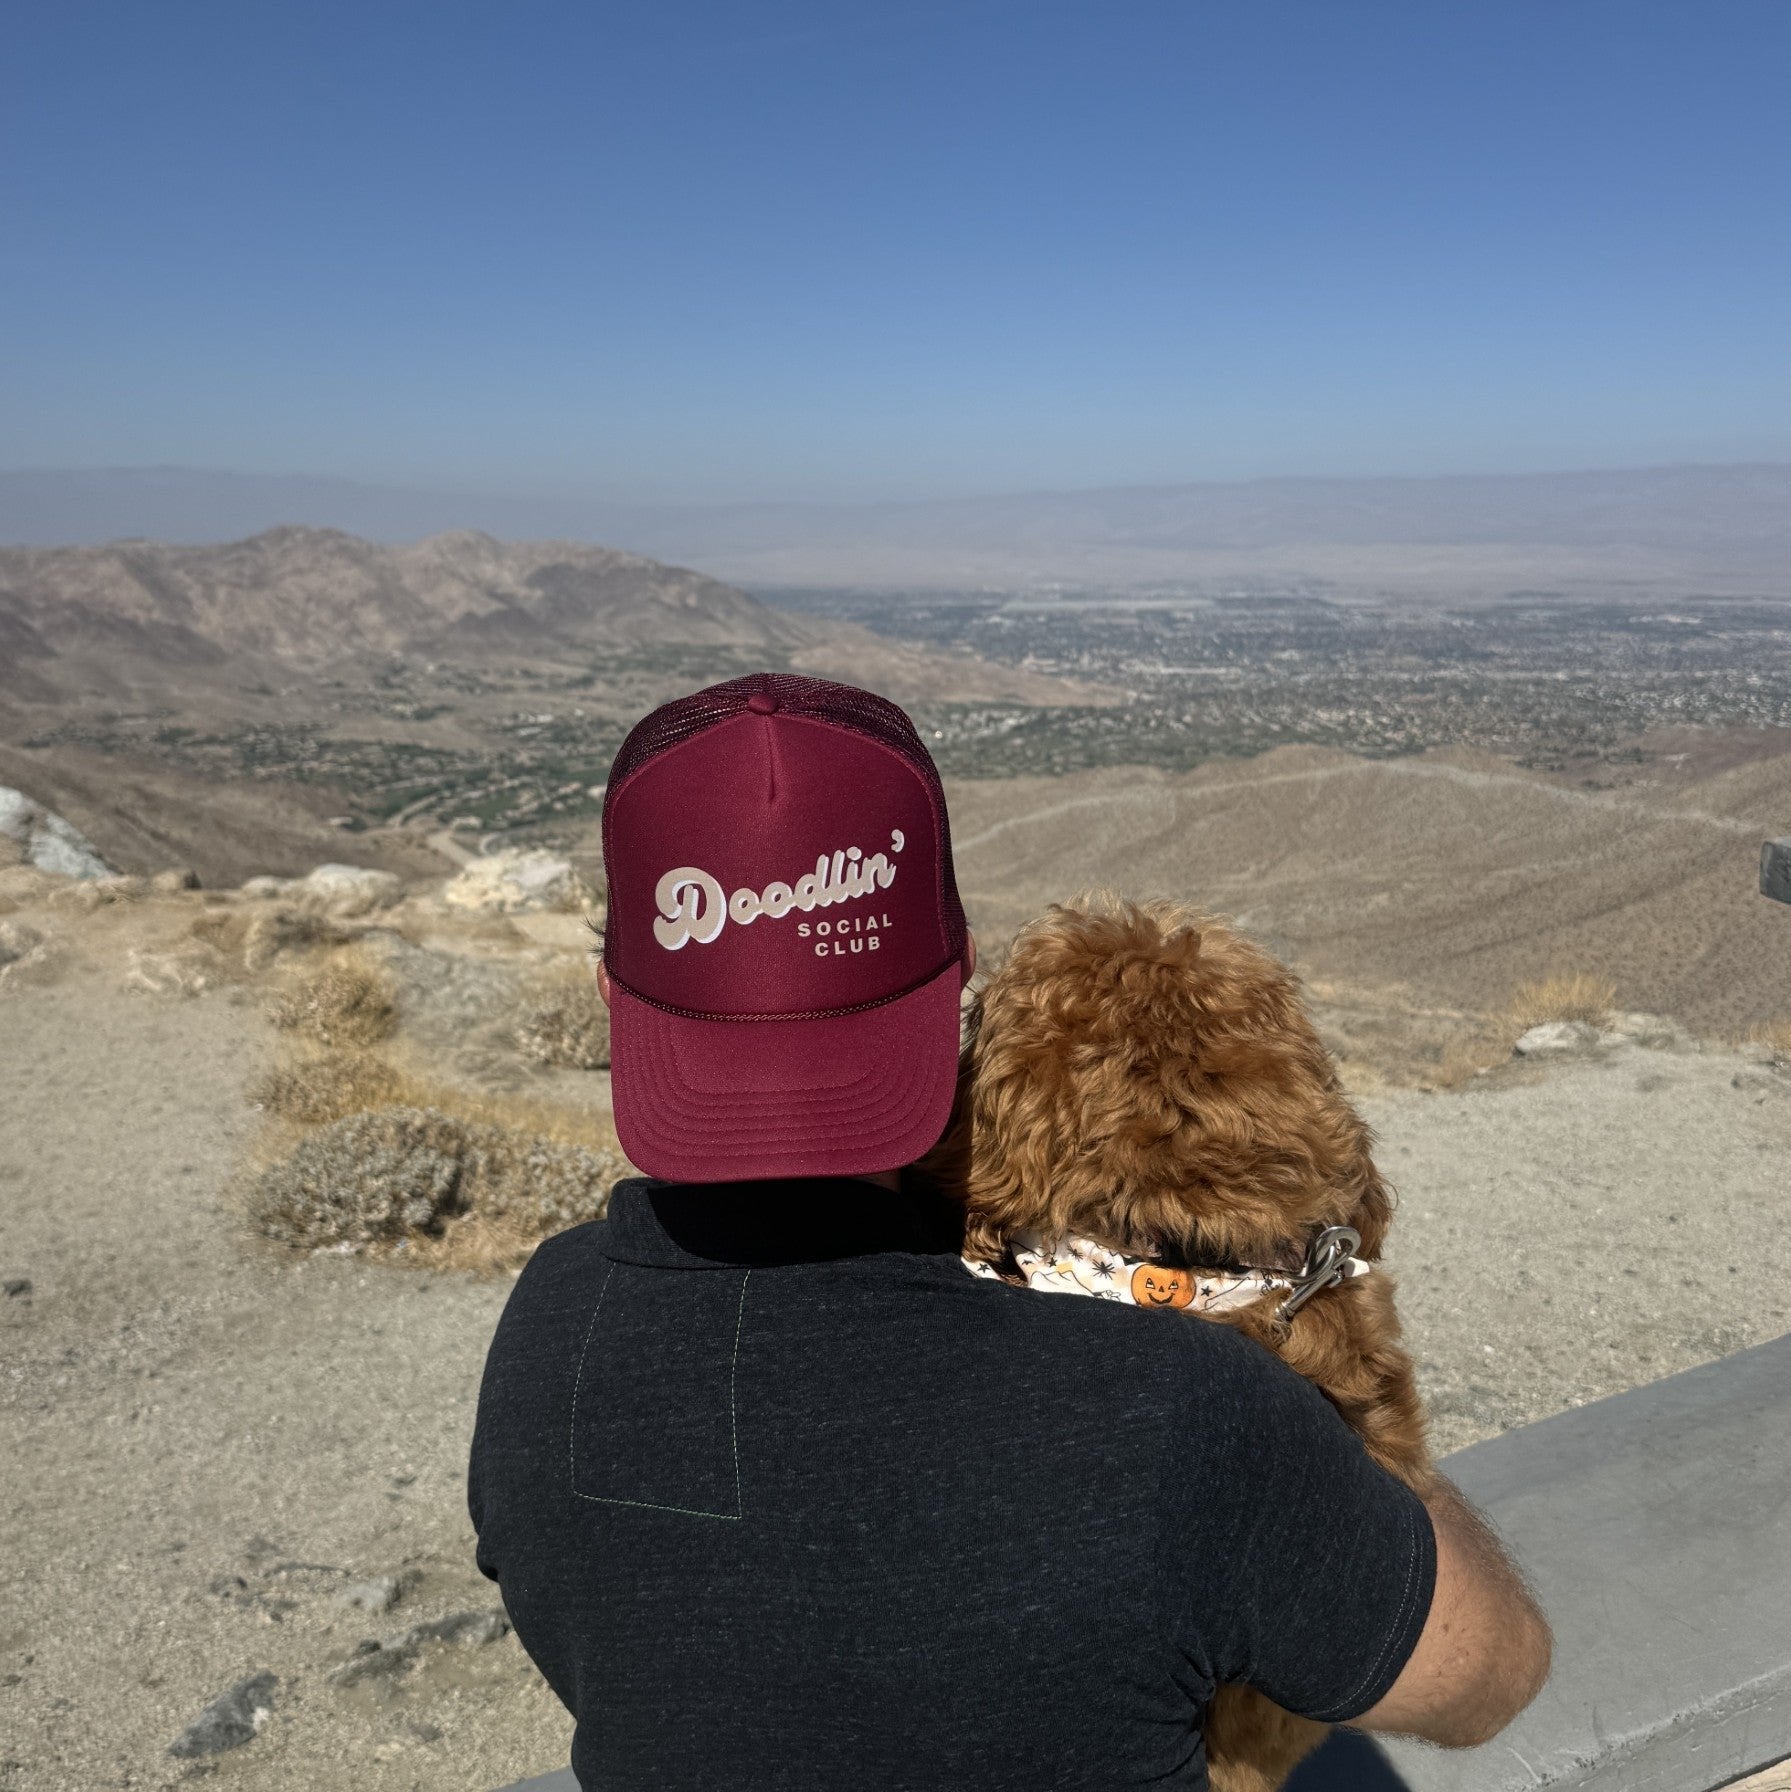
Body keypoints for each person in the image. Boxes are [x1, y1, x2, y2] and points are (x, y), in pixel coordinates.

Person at [468, 673, 1550, 1791]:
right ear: (956, 971)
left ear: (612, 987)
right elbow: (1492, 1675)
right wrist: (1320, 1359)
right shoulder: (1180, 1409)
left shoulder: (548, 1333)